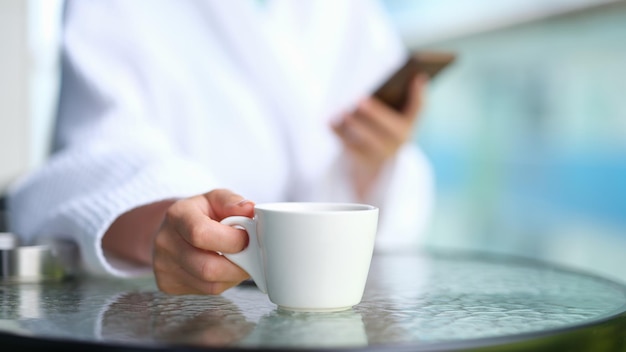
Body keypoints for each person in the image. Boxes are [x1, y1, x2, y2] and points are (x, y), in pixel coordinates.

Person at [6, 0, 435, 295]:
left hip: (324, 297)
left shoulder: (350, 11)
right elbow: (98, 143)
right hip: (160, 308)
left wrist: (374, 159)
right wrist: (163, 218)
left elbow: (384, 185)